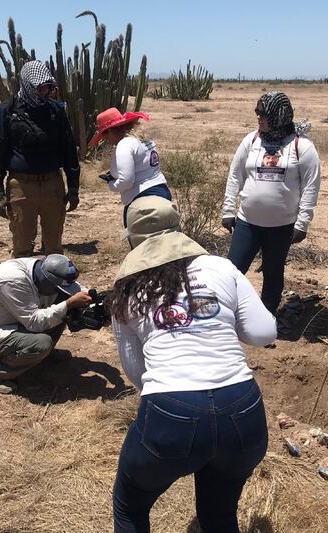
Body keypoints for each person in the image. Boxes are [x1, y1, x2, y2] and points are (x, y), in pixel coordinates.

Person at [109, 196, 277, 533]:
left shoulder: (125, 290)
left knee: (130, 505)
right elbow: (263, 333)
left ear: (133, 240)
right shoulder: (221, 267)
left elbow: (136, 372)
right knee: (219, 515)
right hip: (243, 409)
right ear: (178, 229)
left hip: (171, 410)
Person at [221, 91, 321, 316]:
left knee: (273, 273)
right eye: (257, 114)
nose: (258, 119)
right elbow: (235, 175)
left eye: (263, 115)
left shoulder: (301, 146)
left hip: (282, 226)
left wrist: (302, 223)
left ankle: (266, 320)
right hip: (248, 222)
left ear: (280, 115)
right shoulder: (251, 140)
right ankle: (225, 315)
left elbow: (310, 187)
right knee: (232, 270)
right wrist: (228, 209)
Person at [0, 60, 81, 258]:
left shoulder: (56, 111)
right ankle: (23, 286)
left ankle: (54, 285)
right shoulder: (6, 112)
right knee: (22, 248)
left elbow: (69, 152)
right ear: (28, 86)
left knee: (54, 247)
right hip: (21, 187)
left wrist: (73, 188)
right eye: (40, 88)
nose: (45, 92)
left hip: (53, 185)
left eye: (48, 87)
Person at [0, 254, 92, 394]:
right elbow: (34, 323)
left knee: (62, 307)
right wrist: (68, 304)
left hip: (14, 320)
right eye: (56, 287)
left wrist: (92, 298)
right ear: (47, 281)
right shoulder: (13, 281)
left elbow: (70, 286)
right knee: (42, 342)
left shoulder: (40, 269)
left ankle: (40, 356)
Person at [89, 107, 172, 226]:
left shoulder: (125, 144)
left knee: (141, 244)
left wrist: (112, 184)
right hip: (163, 194)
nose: (106, 140)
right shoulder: (144, 139)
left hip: (142, 202)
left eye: (105, 135)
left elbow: (126, 181)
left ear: (111, 131)